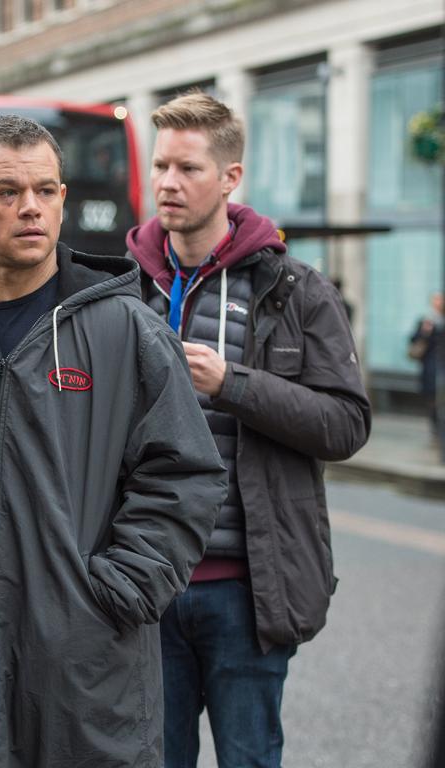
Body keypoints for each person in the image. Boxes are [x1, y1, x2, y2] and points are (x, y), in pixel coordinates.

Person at [0, 114, 227, 767]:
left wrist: (114, 594)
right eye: (7, 191)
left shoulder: (129, 335)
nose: (30, 207)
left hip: (84, 681)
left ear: (62, 200)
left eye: (46, 190)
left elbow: (184, 479)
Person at [125, 91, 371, 768]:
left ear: (230, 178)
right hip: (146, 587)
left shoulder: (296, 290)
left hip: (246, 591)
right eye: (162, 166)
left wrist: (233, 385)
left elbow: (347, 424)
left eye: (189, 169)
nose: (169, 184)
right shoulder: (125, 290)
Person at [409, 292, 443, 440]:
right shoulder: (426, 321)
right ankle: (436, 428)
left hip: (441, 366)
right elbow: (413, 340)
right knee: (432, 398)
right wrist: (425, 331)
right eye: (436, 300)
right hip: (430, 367)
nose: (438, 303)